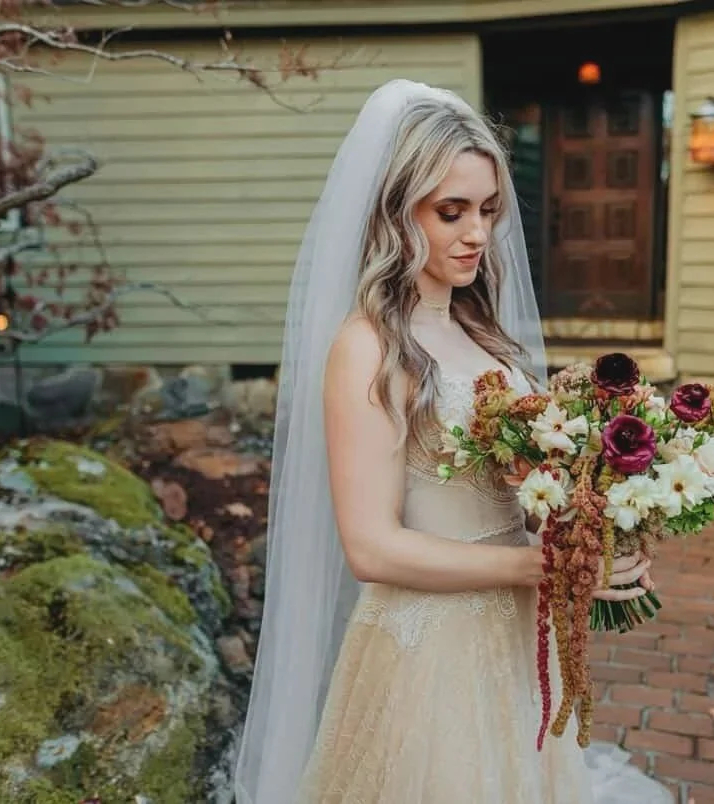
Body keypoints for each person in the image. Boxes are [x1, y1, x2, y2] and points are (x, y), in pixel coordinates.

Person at [234, 79, 675, 804]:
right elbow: (372, 548)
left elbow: (522, 487)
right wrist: (545, 567)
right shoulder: (369, 348)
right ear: (395, 211)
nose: (477, 233)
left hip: (515, 633)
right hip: (431, 648)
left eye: (488, 210)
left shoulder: (481, 332)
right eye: (452, 211)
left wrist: (601, 532)